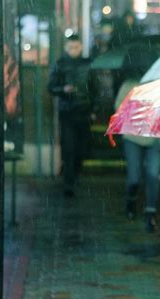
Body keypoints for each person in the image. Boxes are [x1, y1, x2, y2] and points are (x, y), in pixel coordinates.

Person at [114, 76, 160, 232]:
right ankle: (130, 201)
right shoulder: (129, 85)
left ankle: (150, 212)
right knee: (134, 177)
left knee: (153, 173)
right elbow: (119, 108)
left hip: (155, 137)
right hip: (132, 136)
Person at [48, 34, 94, 197]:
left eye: (76, 47)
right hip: (67, 112)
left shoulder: (88, 64)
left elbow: (94, 88)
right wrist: (63, 90)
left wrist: (92, 108)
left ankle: (74, 175)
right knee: (69, 149)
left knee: (81, 149)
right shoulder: (60, 64)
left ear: (81, 47)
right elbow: (51, 87)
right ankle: (69, 183)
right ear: (66, 47)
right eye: (70, 47)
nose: (73, 50)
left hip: (84, 112)